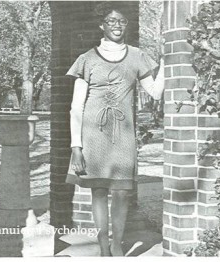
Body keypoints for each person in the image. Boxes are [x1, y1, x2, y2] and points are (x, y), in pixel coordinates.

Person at [65, 2, 165, 256]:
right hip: (92, 136)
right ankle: (102, 246)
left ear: (126, 25)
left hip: (123, 135)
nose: (116, 26)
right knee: (98, 190)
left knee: (121, 193)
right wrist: (76, 147)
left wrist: (166, 61)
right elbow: (76, 107)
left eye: (121, 21)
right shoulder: (86, 59)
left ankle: (117, 245)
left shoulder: (137, 56)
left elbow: (154, 92)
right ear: (102, 25)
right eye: (111, 21)